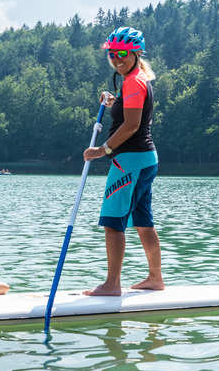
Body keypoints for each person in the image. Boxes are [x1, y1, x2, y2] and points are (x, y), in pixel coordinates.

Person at [83, 26, 163, 296]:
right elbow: (130, 112)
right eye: (112, 55)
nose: (117, 59)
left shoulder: (133, 81)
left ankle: (112, 284)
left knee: (113, 221)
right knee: (143, 220)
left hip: (129, 161)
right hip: (145, 160)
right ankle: (155, 278)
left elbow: (131, 125)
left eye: (122, 54)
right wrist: (112, 101)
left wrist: (103, 150)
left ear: (135, 53)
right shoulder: (137, 80)